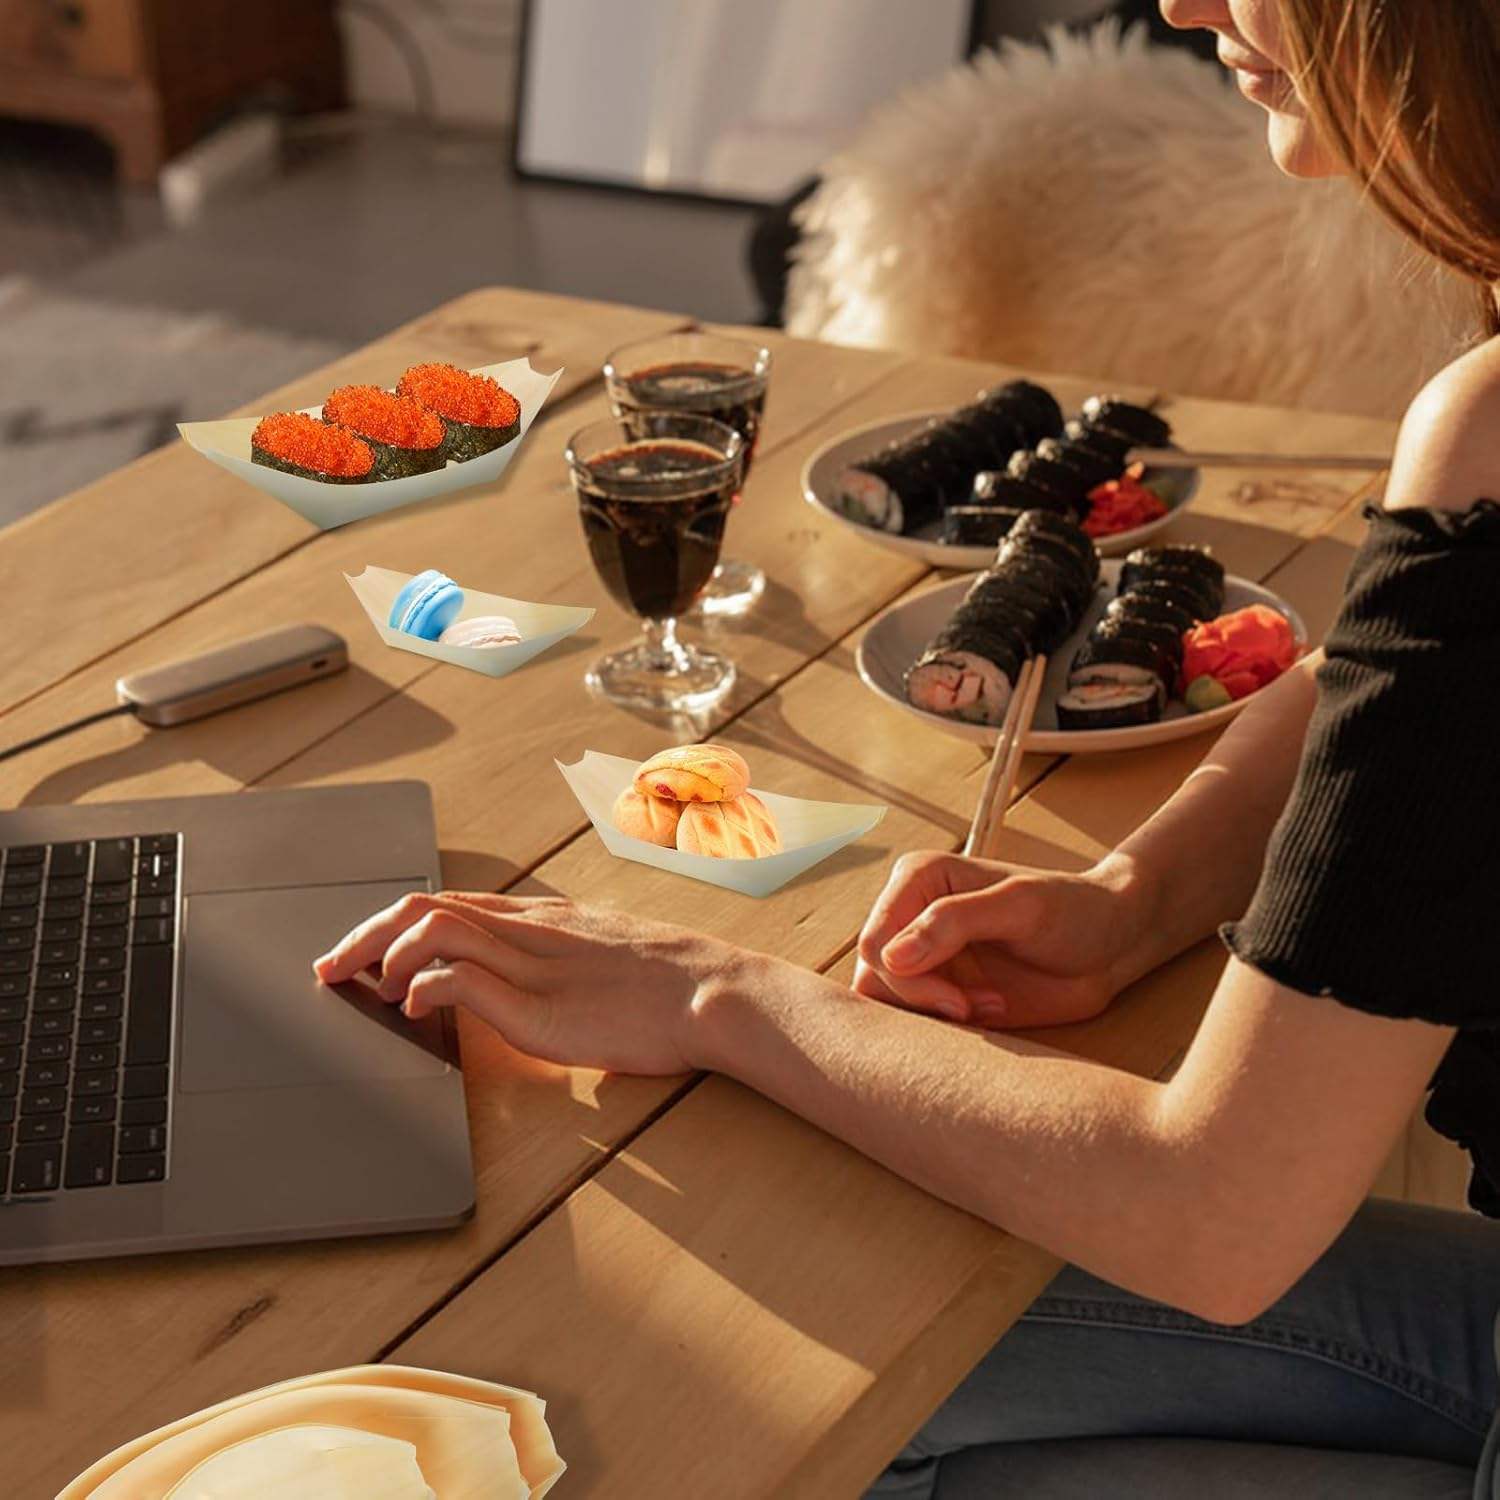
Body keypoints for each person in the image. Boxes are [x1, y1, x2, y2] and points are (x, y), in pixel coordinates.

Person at [315, 1, 1500, 1491]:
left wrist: (714, 990)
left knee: (762, 1388)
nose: (1189, 3)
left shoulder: (1490, 422)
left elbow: (1218, 1214)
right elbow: (1401, 690)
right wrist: (1136, 898)